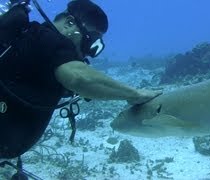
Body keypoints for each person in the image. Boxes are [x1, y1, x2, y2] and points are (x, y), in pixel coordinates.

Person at [0, 0, 162, 160]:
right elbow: (79, 78)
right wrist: (135, 94)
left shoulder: (33, 41)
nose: (88, 53)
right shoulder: (50, 40)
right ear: (69, 23)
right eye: (89, 41)